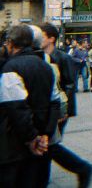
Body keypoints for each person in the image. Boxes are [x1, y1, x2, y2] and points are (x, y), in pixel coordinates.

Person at [0, 24, 58, 186]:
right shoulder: (46, 66)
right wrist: (45, 135)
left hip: (15, 143)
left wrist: (31, 138)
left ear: (11, 43)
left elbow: (16, 108)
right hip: (40, 140)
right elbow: (55, 103)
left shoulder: (10, 67)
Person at [40, 23, 92, 187]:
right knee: (48, 146)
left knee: (50, 145)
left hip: (59, 109)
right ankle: (43, 178)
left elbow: (70, 84)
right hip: (51, 108)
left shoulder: (62, 57)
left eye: (42, 36)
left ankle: (82, 168)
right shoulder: (41, 56)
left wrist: (63, 111)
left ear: (51, 39)